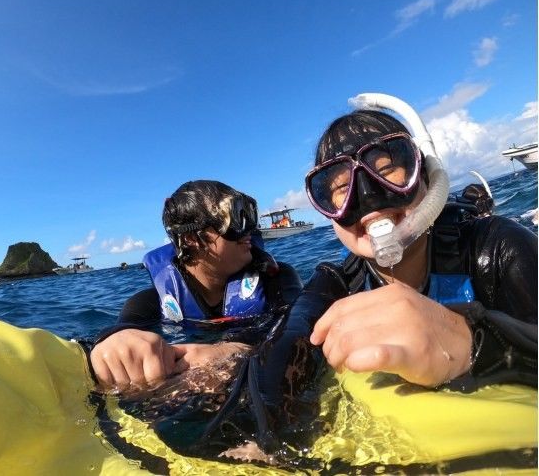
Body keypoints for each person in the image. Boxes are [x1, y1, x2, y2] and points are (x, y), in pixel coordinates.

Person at [304, 106, 537, 389]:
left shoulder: (496, 248)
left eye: (387, 170)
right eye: (341, 188)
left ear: (426, 178)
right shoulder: (335, 286)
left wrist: (472, 344)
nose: (367, 197)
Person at [89, 180, 303, 389]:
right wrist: (113, 344)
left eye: (249, 214)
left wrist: (231, 351)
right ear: (191, 237)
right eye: (236, 217)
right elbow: (123, 330)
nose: (249, 229)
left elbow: (297, 327)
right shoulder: (148, 303)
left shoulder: (277, 279)